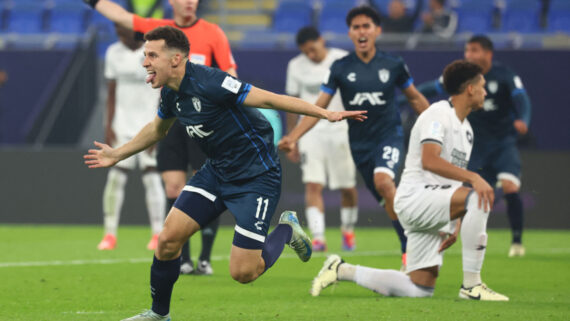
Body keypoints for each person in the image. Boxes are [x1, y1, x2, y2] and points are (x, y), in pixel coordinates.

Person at [84, 26, 367, 320]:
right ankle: (159, 315)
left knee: (244, 272)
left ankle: (285, 231)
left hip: (257, 177)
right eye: (145, 55)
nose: (145, 62)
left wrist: (325, 113)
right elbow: (157, 130)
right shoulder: (171, 93)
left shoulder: (212, 82)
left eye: (152, 55)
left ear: (176, 59)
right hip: (217, 171)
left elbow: (269, 99)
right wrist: (117, 153)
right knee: (167, 240)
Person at [311, 60, 509, 301]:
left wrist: (456, 222)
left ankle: (341, 269)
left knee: (419, 288)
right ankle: (472, 285)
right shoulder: (437, 114)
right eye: (482, 86)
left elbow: (455, 180)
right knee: (479, 195)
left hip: (433, 205)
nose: (485, 92)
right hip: (416, 198)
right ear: (470, 89)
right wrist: (474, 178)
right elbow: (430, 160)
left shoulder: (467, 130)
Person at [84, 0, 237, 274]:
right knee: (173, 188)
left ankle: (205, 256)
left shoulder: (213, 32)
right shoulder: (158, 31)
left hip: (204, 123)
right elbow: (121, 16)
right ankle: (184, 259)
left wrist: (225, 108)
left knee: (208, 187)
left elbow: (230, 74)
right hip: (171, 120)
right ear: (172, 3)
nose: (191, 2)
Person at [280, 5, 429, 267]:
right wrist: (293, 136)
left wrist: (438, 128)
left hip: (388, 135)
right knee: (386, 199)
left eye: (366, 26)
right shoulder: (340, 68)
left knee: (384, 182)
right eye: (356, 27)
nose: (361, 32)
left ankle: (410, 250)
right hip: (359, 144)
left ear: (377, 31)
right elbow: (319, 109)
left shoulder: (393, 65)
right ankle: (410, 243)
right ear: (350, 33)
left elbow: (415, 98)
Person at [413, 35, 532, 257]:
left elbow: (522, 99)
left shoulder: (505, 74)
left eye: (475, 50)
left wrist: (523, 119)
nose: (469, 55)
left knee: (509, 186)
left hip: (502, 143)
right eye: (467, 50)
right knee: (471, 195)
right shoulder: (457, 86)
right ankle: (467, 242)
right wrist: (407, 95)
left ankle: (516, 240)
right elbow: (431, 87)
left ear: (488, 53)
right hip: (476, 146)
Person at [285, 26, 359, 252]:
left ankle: (348, 230)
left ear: (321, 40)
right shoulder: (295, 66)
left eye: (312, 49)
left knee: (347, 187)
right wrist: (292, 138)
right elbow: (290, 103)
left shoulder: (342, 59)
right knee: (313, 184)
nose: (310, 55)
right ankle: (318, 237)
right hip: (310, 131)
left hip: (340, 129)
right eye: (305, 52)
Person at [97, 24, 166, 251]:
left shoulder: (152, 52)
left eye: (123, 31)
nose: (119, 35)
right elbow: (111, 91)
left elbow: (164, 89)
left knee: (151, 175)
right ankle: (109, 234)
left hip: (149, 124)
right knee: (116, 176)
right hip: (122, 124)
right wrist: (109, 124)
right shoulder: (113, 53)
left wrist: (160, 126)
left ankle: (157, 233)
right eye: (117, 32)